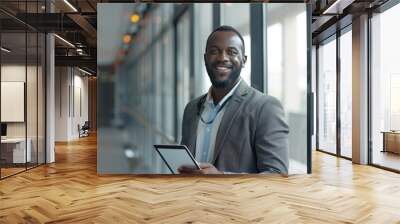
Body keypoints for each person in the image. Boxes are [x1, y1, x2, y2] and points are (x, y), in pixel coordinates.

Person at [179, 25, 289, 174]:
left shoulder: (266, 108)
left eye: (232, 52)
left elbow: (277, 175)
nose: (222, 58)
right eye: (214, 51)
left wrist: (221, 179)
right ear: (205, 59)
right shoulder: (191, 108)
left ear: (244, 60)